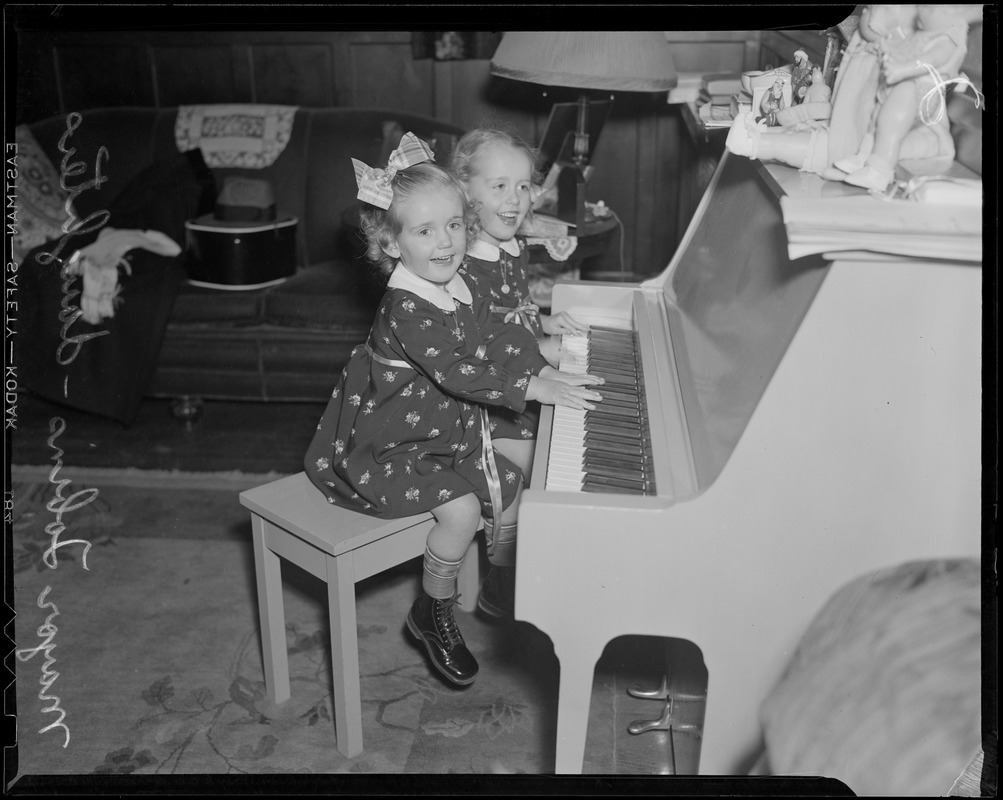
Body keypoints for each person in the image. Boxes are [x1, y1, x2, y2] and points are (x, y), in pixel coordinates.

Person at [304, 133, 604, 686]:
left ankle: (502, 588)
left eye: (454, 226)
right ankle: (432, 612)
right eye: (424, 231)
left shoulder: (459, 281)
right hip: (394, 444)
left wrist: (542, 349)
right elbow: (457, 371)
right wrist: (534, 387)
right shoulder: (405, 308)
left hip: (450, 429)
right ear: (392, 246)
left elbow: (496, 327)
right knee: (463, 512)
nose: (445, 243)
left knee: (512, 484)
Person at [450, 128, 590, 619]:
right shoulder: (462, 265)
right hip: (475, 406)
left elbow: (515, 308)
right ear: (466, 192)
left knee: (552, 453)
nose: (515, 200)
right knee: (545, 468)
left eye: (524, 186)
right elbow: (480, 346)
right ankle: (503, 579)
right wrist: (546, 354)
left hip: (511, 389)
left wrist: (544, 323)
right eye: (499, 186)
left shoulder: (508, 247)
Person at [842, 4, 981, 191]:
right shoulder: (925, 32)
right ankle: (863, 156)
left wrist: (901, 70)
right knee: (876, 119)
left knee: (890, 124)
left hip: (919, 90)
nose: (922, 12)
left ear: (953, 16)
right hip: (901, 86)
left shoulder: (948, 38)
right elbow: (906, 48)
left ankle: (879, 171)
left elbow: (928, 61)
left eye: (930, 9)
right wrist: (888, 47)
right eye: (922, 7)